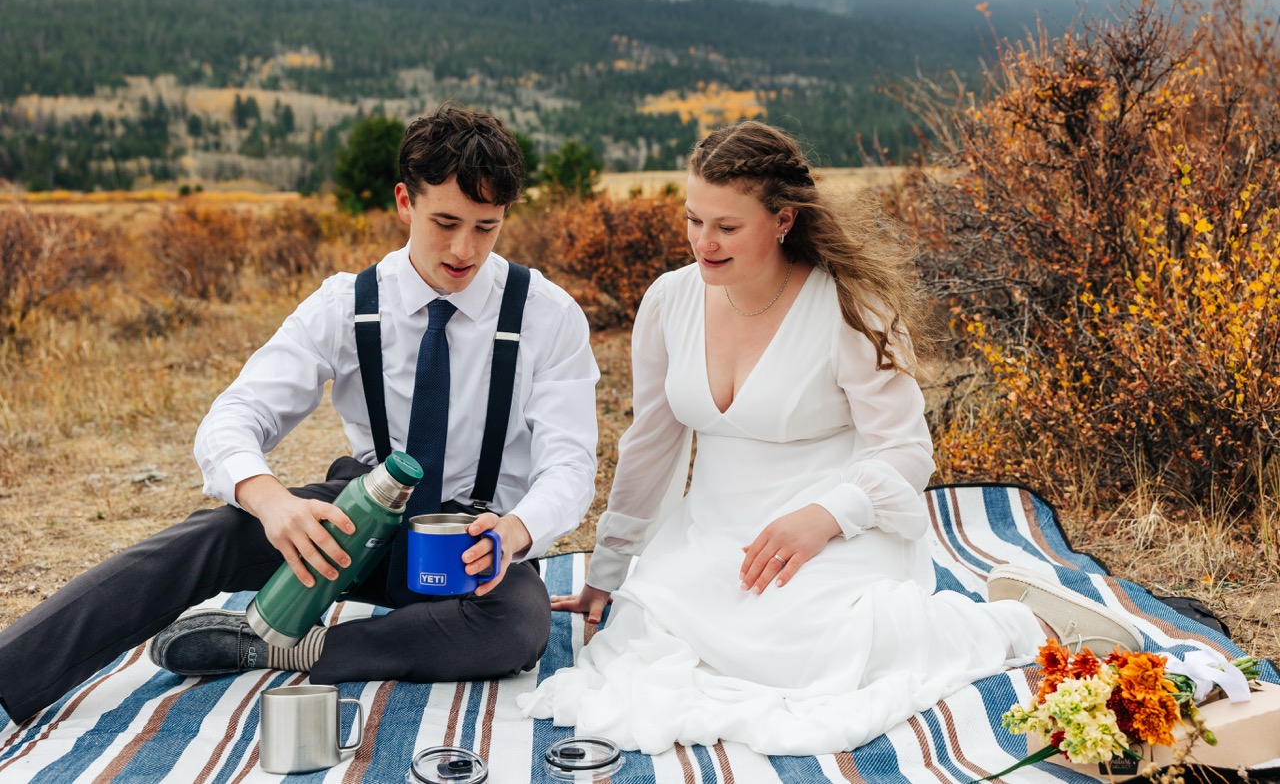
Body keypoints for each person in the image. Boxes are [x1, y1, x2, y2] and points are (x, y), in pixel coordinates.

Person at [517, 120, 1141, 756]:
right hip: (713, 529)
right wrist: (611, 569)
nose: (704, 242)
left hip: (836, 522)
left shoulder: (851, 306)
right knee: (644, 641)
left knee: (814, 651)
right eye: (693, 220)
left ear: (783, 219)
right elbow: (650, 444)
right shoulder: (669, 301)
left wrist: (825, 516)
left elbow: (905, 452)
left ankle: (1022, 622)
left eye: (727, 226)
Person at [0, 106, 599, 725]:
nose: (462, 248)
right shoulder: (347, 303)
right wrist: (271, 502)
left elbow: (571, 465)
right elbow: (235, 414)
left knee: (519, 625)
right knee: (205, 538)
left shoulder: (548, 316)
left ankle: (286, 645)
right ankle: (9, 676)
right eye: (445, 222)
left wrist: (516, 532)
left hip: (474, 541)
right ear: (404, 201)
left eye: (486, 227)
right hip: (363, 522)